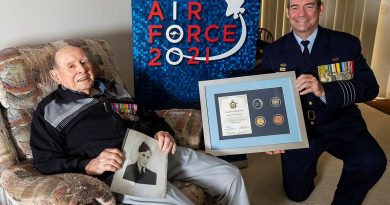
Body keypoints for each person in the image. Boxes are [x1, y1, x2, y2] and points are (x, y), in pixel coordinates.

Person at [30, 46, 249, 205]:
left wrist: (162, 132)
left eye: (84, 61)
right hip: (122, 169)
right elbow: (45, 162)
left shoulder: (113, 89)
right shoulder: (49, 111)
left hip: (153, 150)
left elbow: (149, 117)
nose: (82, 69)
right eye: (71, 66)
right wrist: (89, 164)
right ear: (56, 75)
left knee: (229, 175)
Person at [261, 0, 387, 204]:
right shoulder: (273, 52)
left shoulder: (346, 44)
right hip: (299, 128)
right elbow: (266, 99)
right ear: (287, 12)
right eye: (294, 7)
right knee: (296, 194)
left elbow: (369, 87)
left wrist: (324, 90)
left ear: (320, 8)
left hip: (339, 121)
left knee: (372, 161)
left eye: (309, 6)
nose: (301, 13)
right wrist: (270, 136)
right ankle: (308, 166)